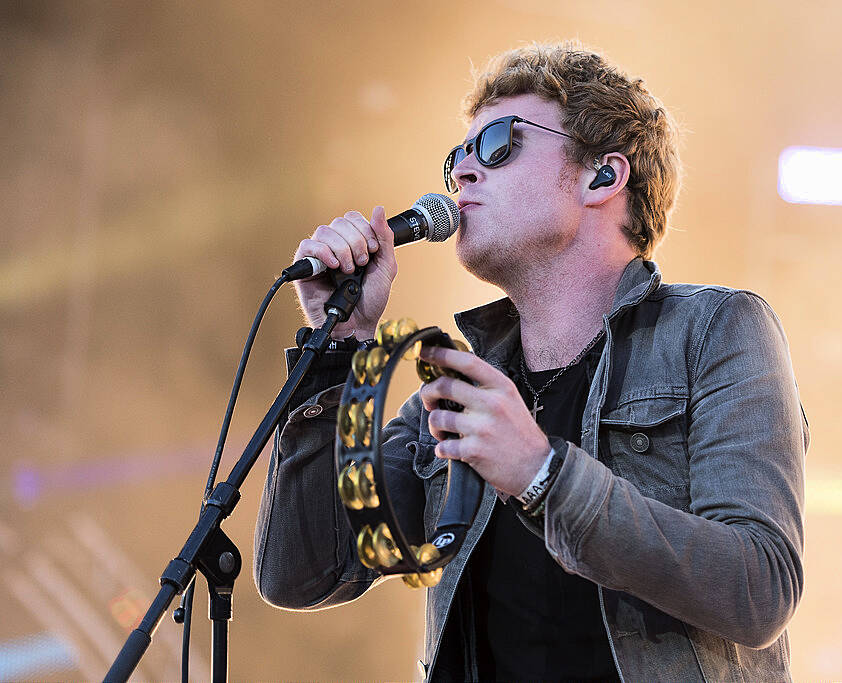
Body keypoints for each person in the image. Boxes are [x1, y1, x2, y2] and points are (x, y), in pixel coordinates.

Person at [254, 41, 809, 682]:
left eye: (496, 145)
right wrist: (340, 346)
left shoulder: (714, 332)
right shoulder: (450, 394)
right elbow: (304, 572)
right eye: (455, 157)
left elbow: (759, 586)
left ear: (601, 176)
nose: (462, 172)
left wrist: (543, 475)